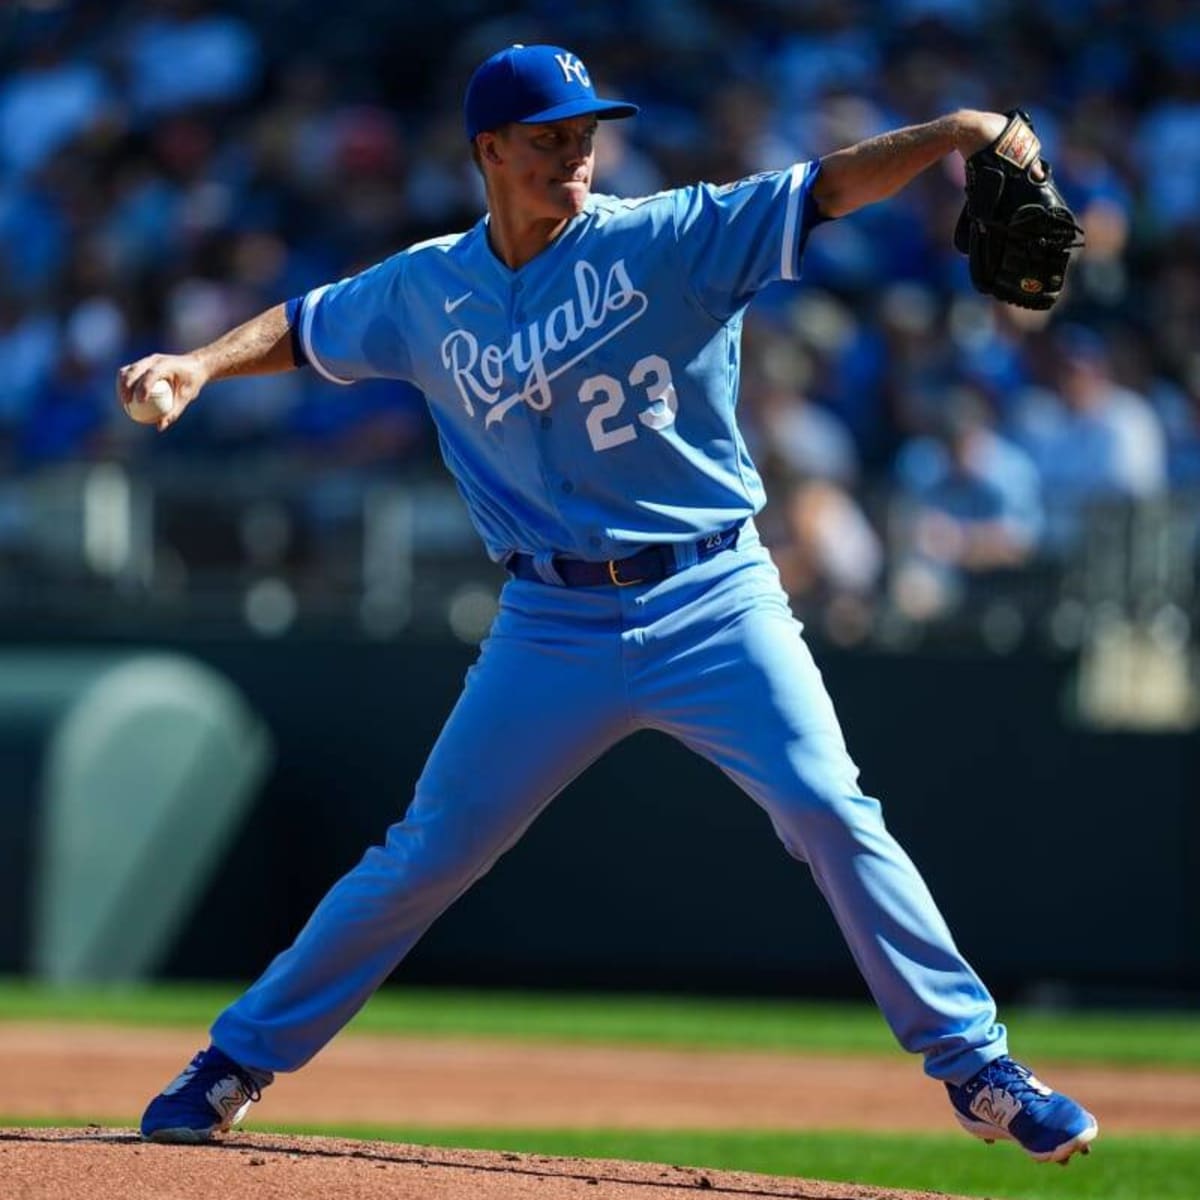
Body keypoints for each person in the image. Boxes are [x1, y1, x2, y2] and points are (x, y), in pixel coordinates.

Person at [122, 44, 1098, 1164]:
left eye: (587, 134)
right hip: (551, 622)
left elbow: (825, 185)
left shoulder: (668, 234)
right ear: (489, 149)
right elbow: (305, 323)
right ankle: (234, 1063)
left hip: (716, 597)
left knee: (832, 811)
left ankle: (981, 1070)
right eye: (550, 137)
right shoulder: (424, 286)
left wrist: (957, 132)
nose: (576, 154)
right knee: (428, 853)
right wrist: (197, 364)